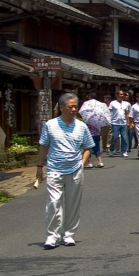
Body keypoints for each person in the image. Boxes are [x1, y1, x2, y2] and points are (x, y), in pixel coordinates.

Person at [36, 93, 94, 249]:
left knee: (72, 204)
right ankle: (52, 236)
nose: (74, 109)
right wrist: (39, 167)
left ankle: (68, 234)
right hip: (54, 169)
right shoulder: (50, 125)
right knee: (54, 203)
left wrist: (82, 162)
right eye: (70, 107)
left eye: (76, 106)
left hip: (75, 169)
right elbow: (43, 146)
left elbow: (88, 147)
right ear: (61, 108)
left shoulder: (81, 126)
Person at [78, 91, 108, 168]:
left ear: (89, 97)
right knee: (97, 147)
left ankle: (89, 162)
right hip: (97, 132)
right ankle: (100, 161)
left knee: (87, 148)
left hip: (88, 133)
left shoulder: (86, 106)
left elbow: (81, 114)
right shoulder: (100, 106)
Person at [108, 91, 130, 158]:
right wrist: (109, 120)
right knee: (115, 137)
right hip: (115, 122)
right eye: (120, 94)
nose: (122, 95)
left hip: (123, 123)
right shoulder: (113, 103)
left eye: (122, 94)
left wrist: (128, 122)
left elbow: (127, 113)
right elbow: (110, 112)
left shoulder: (125, 104)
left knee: (124, 138)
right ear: (117, 95)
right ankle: (111, 149)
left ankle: (124, 151)